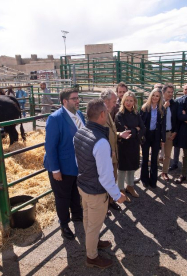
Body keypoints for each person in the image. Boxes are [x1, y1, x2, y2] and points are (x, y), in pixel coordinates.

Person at [73, 99, 126, 269]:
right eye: (106, 111)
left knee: (89, 220)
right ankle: (92, 257)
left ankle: (92, 243)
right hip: (95, 191)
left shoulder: (80, 132)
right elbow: (105, 176)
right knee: (94, 225)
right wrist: (117, 195)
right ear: (102, 114)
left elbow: (79, 160)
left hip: (83, 185)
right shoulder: (101, 142)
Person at [43, 88, 84, 240]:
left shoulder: (78, 114)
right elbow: (50, 147)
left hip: (75, 164)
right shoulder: (55, 118)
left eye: (77, 98)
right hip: (61, 166)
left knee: (75, 191)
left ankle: (77, 215)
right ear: (64, 101)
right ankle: (64, 224)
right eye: (74, 98)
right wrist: (55, 169)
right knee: (62, 197)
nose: (77, 101)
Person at [100, 89, 131, 211]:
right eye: (113, 101)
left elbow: (110, 131)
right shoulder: (99, 115)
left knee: (113, 178)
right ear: (106, 101)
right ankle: (104, 206)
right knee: (106, 180)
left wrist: (119, 134)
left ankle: (110, 201)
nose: (115, 104)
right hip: (106, 156)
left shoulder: (107, 112)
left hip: (113, 154)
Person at [115, 91, 145, 199]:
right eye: (126, 100)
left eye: (131, 100)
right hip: (123, 145)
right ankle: (121, 189)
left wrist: (135, 130)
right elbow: (124, 131)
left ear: (134, 102)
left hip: (134, 144)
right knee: (122, 169)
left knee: (132, 167)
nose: (128, 102)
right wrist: (136, 129)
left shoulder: (136, 114)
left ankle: (130, 186)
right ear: (123, 101)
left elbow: (143, 128)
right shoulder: (119, 115)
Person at [140, 88, 166, 188]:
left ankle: (153, 180)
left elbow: (163, 125)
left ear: (160, 98)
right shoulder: (144, 108)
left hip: (156, 136)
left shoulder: (162, 109)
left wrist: (163, 139)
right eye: (154, 95)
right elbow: (141, 123)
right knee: (145, 157)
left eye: (157, 96)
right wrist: (140, 136)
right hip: (146, 136)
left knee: (154, 158)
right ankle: (144, 179)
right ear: (151, 96)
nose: (155, 97)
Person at [160, 84, 179, 180]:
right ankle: (153, 173)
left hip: (169, 133)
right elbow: (156, 118)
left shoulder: (174, 104)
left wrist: (174, 132)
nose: (170, 94)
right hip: (158, 133)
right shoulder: (158, 102)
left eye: (172, 92)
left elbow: (176, 119)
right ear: (163, 92)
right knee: (155, 154)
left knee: (167, 155)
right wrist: (163, 107)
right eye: (168, 92)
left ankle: (164, 172)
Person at [170, 83, 187, 171]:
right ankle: (175, 163)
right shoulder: (178, 100)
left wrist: (186, 117)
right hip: (178, 125)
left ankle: (186, 166)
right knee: (176, 146)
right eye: (185, 89)